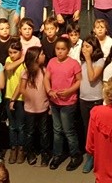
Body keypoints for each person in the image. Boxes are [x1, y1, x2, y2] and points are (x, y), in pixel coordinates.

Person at [46, 36, 83, 171]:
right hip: (55, 101)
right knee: (57, 130)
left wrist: (69, 91)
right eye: (58, 49)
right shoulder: (51, 62)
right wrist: (49, 90)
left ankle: (75, 154)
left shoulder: (74, 63)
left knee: (68, 130)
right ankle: (57, 154)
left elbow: (79, 80)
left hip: (68, 102)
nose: (60, 51)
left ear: (68, 50)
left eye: (63, 49)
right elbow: (46, 78)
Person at [13, 46, 51, 167]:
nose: (44, 56)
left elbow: (48, 88)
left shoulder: (45, 71)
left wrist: (50, 104)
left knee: (44, 132)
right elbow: (21, 88)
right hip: (30, 108)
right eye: (41, 54)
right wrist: (29, 96)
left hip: (43, 107)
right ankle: (30, 153)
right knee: (29, 132)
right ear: (35, 58)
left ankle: (45, 154)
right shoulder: (26, 73)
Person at [77, 35, 105, 174]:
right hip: (83, 99)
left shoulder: (100, 60)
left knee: (97, 130)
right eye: (83, 46)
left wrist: (88, 59)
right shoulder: (82, 61)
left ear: (94, 48)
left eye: (87, 46)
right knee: (86, 129)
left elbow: (92, 77)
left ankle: (98, 156)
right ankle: (90, 156)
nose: (84, 49)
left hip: (96, 99)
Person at [3, 42, 26, 164]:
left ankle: (21, 149)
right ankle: (13, 148)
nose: (12, 55)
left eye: (15, 52)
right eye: (10, 52)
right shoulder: (9, 60)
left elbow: (21, 84)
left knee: (21, 126)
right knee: (12, 126)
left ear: (21, 51)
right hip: (8, 96)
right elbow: (7, 68)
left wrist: (14, 99)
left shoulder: (25, 64)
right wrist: (21, 59)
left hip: (20, 98)